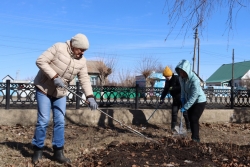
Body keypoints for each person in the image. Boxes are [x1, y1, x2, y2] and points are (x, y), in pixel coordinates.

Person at [31, 33, 98, 164]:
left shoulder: (82, 61)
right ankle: (38, 150)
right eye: (81, 49)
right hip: (44, 88)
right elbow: (40, 61)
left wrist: (90, 97)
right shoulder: (58, 47)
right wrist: (54, 77)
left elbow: (84, 79)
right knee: (43, 120)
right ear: (74, 45)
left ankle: (58, 151)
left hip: (60, 93)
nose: (82, 52)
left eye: (85, 50)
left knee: (60, 121)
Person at [175, 59, 206, 142]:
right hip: (190, 100)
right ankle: (193, 136)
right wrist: (182, 98)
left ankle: (196, 138)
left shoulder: (194, 80)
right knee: (189, 118)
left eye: (183, 72)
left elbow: (194, 96)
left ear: (187, 71)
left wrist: (185, 106)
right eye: (180, 72)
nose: (181, 74)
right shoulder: (181, 78)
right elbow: (182, 90)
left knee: (194, 118)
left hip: (199, 101)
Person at [160, 66, 190, 132]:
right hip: (175, 100)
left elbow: (181, 87)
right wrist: (162, 98)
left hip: (182, 99)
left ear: (170, 75)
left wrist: (173, 88)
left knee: (185, 114)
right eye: (165, 77)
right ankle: (173, 128)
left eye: (167, 76)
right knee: (174, 113)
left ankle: (189, 128)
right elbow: (165, 90)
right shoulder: (167, 82)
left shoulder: (177, 78)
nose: (166, 78)